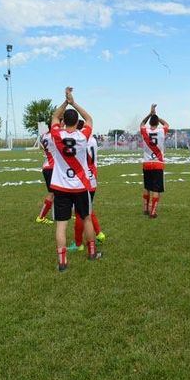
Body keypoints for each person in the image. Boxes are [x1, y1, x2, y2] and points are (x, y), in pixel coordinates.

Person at [48, 87, 102, 272]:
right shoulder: (82, 136)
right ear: (77, 122)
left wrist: (65, 102)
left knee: (61, 225)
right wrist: (73, 102)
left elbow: (54, 117)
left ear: (64, 122)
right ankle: (92, 252)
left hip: (61, 187)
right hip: (80, 185)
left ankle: (62, 262)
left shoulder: (57, 135)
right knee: (86, 218)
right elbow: (89, 119)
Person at [70, 120, 106, 251]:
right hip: (93, 178)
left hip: (83, 181)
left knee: (80, 213)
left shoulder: (80, 141)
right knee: (88, 209)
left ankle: (78, 244)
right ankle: (99, 233)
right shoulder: (92, 140)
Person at [140, 104, 170, 218]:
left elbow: (142, 123)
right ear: (157, 123)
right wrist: (156, 115)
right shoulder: (162, 130)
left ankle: (145, 209)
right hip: (158, 163)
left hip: (147, 163)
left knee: (147, 187)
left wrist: (150, 114)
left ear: (150, 123)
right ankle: (153, 211)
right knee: (156, 188)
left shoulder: (145, 130)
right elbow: (167, 124)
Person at [36, 128, 55, 225]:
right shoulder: (54, 135)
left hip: (47, 166)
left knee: (56, 193)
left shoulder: (45, 135)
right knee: (52, 194)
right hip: (52, 167)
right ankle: (41, 217)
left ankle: (58, 214)